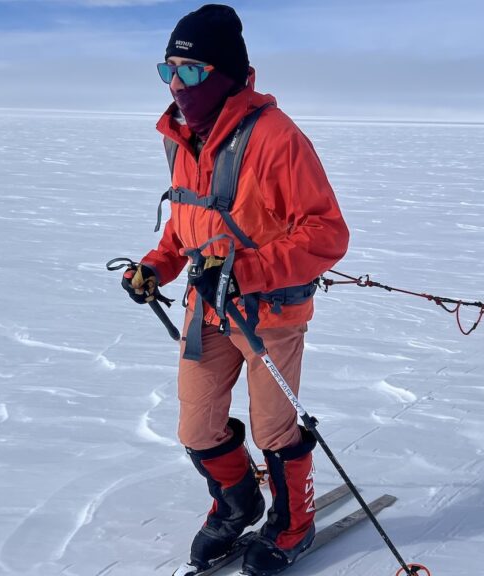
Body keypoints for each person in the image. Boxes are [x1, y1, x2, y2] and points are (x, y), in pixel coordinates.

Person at [120, 4, 349, 574]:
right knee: (196, 427)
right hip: (206, 310)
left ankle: (293, 522)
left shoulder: (276, 137)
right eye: (168, 69)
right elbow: (185, 225)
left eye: (191, 70)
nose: (177, 82)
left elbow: (327, 233)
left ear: (224, 74)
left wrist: (245, 271)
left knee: (275, 428)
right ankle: (237, 501)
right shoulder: (181, 139)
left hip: (269, 311)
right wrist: (156, 266)